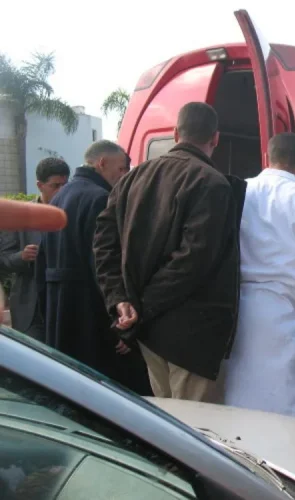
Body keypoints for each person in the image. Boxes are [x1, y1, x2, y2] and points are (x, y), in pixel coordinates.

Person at [94, 102, 245, 402]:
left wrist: (121, 300)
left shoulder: (130, 180)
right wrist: (141, 306)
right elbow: (194, 261)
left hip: (149, 335)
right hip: (192, 336)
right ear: (215, 138)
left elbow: (103, 245)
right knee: (198, 435)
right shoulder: (213, 183)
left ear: (176, 134)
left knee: (167, 429)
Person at [223, 132, 295, 418]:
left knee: (239, 397)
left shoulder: (238, 191)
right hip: (284, 310)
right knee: (285, 401)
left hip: (240, 309)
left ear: (266, 158)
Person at [37, 141, 151, 395]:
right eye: (121, 168)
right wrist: (119, 326)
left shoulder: (59, 198)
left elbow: (42, 266)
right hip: (91, 322)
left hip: (61, 317)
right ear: (102, 163)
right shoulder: (100, 199)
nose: (124, 176)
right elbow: (103, 266)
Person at [0, 158, 69, 341]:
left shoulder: (72, 214)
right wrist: (21, 257)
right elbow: (4, 259)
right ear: (40, 185)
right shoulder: (20, 216)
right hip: (30, 307)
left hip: (65, 305)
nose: (61, 191)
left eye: (65, 185)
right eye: (55, 185)